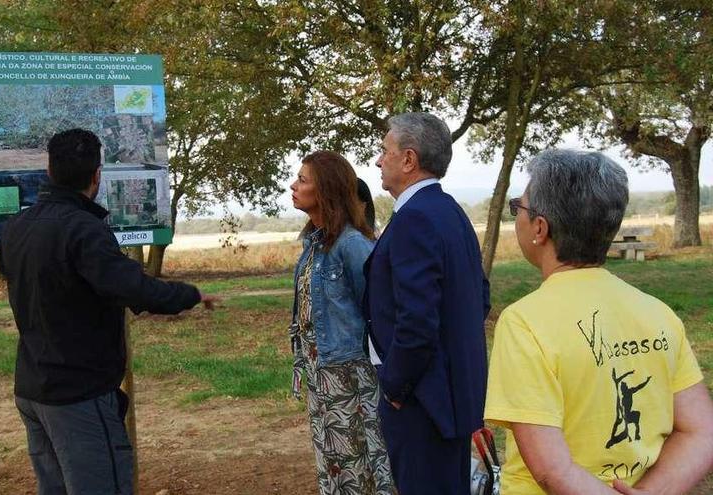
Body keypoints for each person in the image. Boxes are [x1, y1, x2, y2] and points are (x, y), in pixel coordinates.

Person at [0, 128, 217, 495]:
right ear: (97, 176)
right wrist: (190, 294)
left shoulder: (17, 226)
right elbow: (132, 287)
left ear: (49, 172)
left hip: (32, 390)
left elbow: (9, 270)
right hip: (77, 396)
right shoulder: (83, 229)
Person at [484, 149, 713, 494]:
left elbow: (551, 469)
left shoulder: (524, 323)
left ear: (540, 228)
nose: (517, 215)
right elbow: (702, 432)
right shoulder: (658, 312)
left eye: (519, 207)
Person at [364, 112, 490, 494]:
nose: (377, 160)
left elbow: (417, 322)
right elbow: (480, 297)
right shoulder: (451, 211)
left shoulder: (415, 219)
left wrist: (395, 387)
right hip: (452, 394)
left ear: (408, 159)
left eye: (384, 151)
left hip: (422, 402)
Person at [289, 150, 395, 495]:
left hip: (349, 376)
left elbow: (379, 312)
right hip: (321, 377)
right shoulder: (314, 244)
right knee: (333, 462)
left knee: (359, 465)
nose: (293, 185)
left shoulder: (352, 245)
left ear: (326, 191)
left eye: (303, 180)